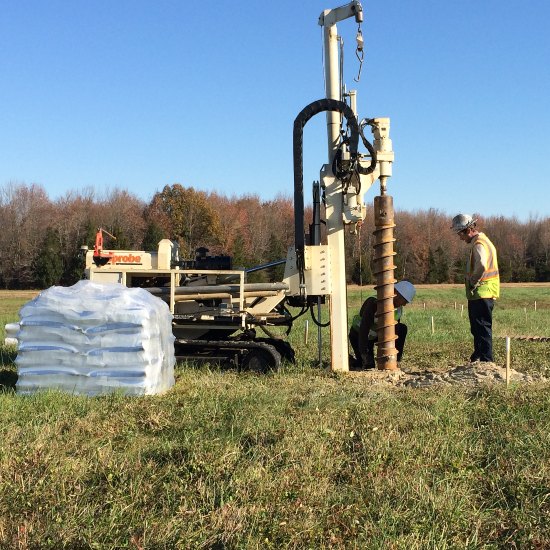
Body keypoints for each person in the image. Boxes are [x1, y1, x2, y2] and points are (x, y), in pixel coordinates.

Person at [451, 214, 500, 363]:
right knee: (477, 328)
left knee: (482, 328)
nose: (460, 238)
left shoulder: (479, 244)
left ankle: (486, 360)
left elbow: (483, 265)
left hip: (482, 292)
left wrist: (473, 281)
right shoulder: (482, 242)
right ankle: (478, 355)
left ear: (467, 230)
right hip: (480, 293)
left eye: (459, 234)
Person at [349, 280, 416, 369]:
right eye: (404, 300)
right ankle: (349, 361)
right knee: (368, 366)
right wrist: (364, 353)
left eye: (406, 302)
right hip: (359, 336)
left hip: (375, 335)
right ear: (396, 293)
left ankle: (397, 360)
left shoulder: (398, 309)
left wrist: (393, 355)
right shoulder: (373, 303)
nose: (404, 304)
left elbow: (395, 330)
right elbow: (363, 329)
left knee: (402, 328)